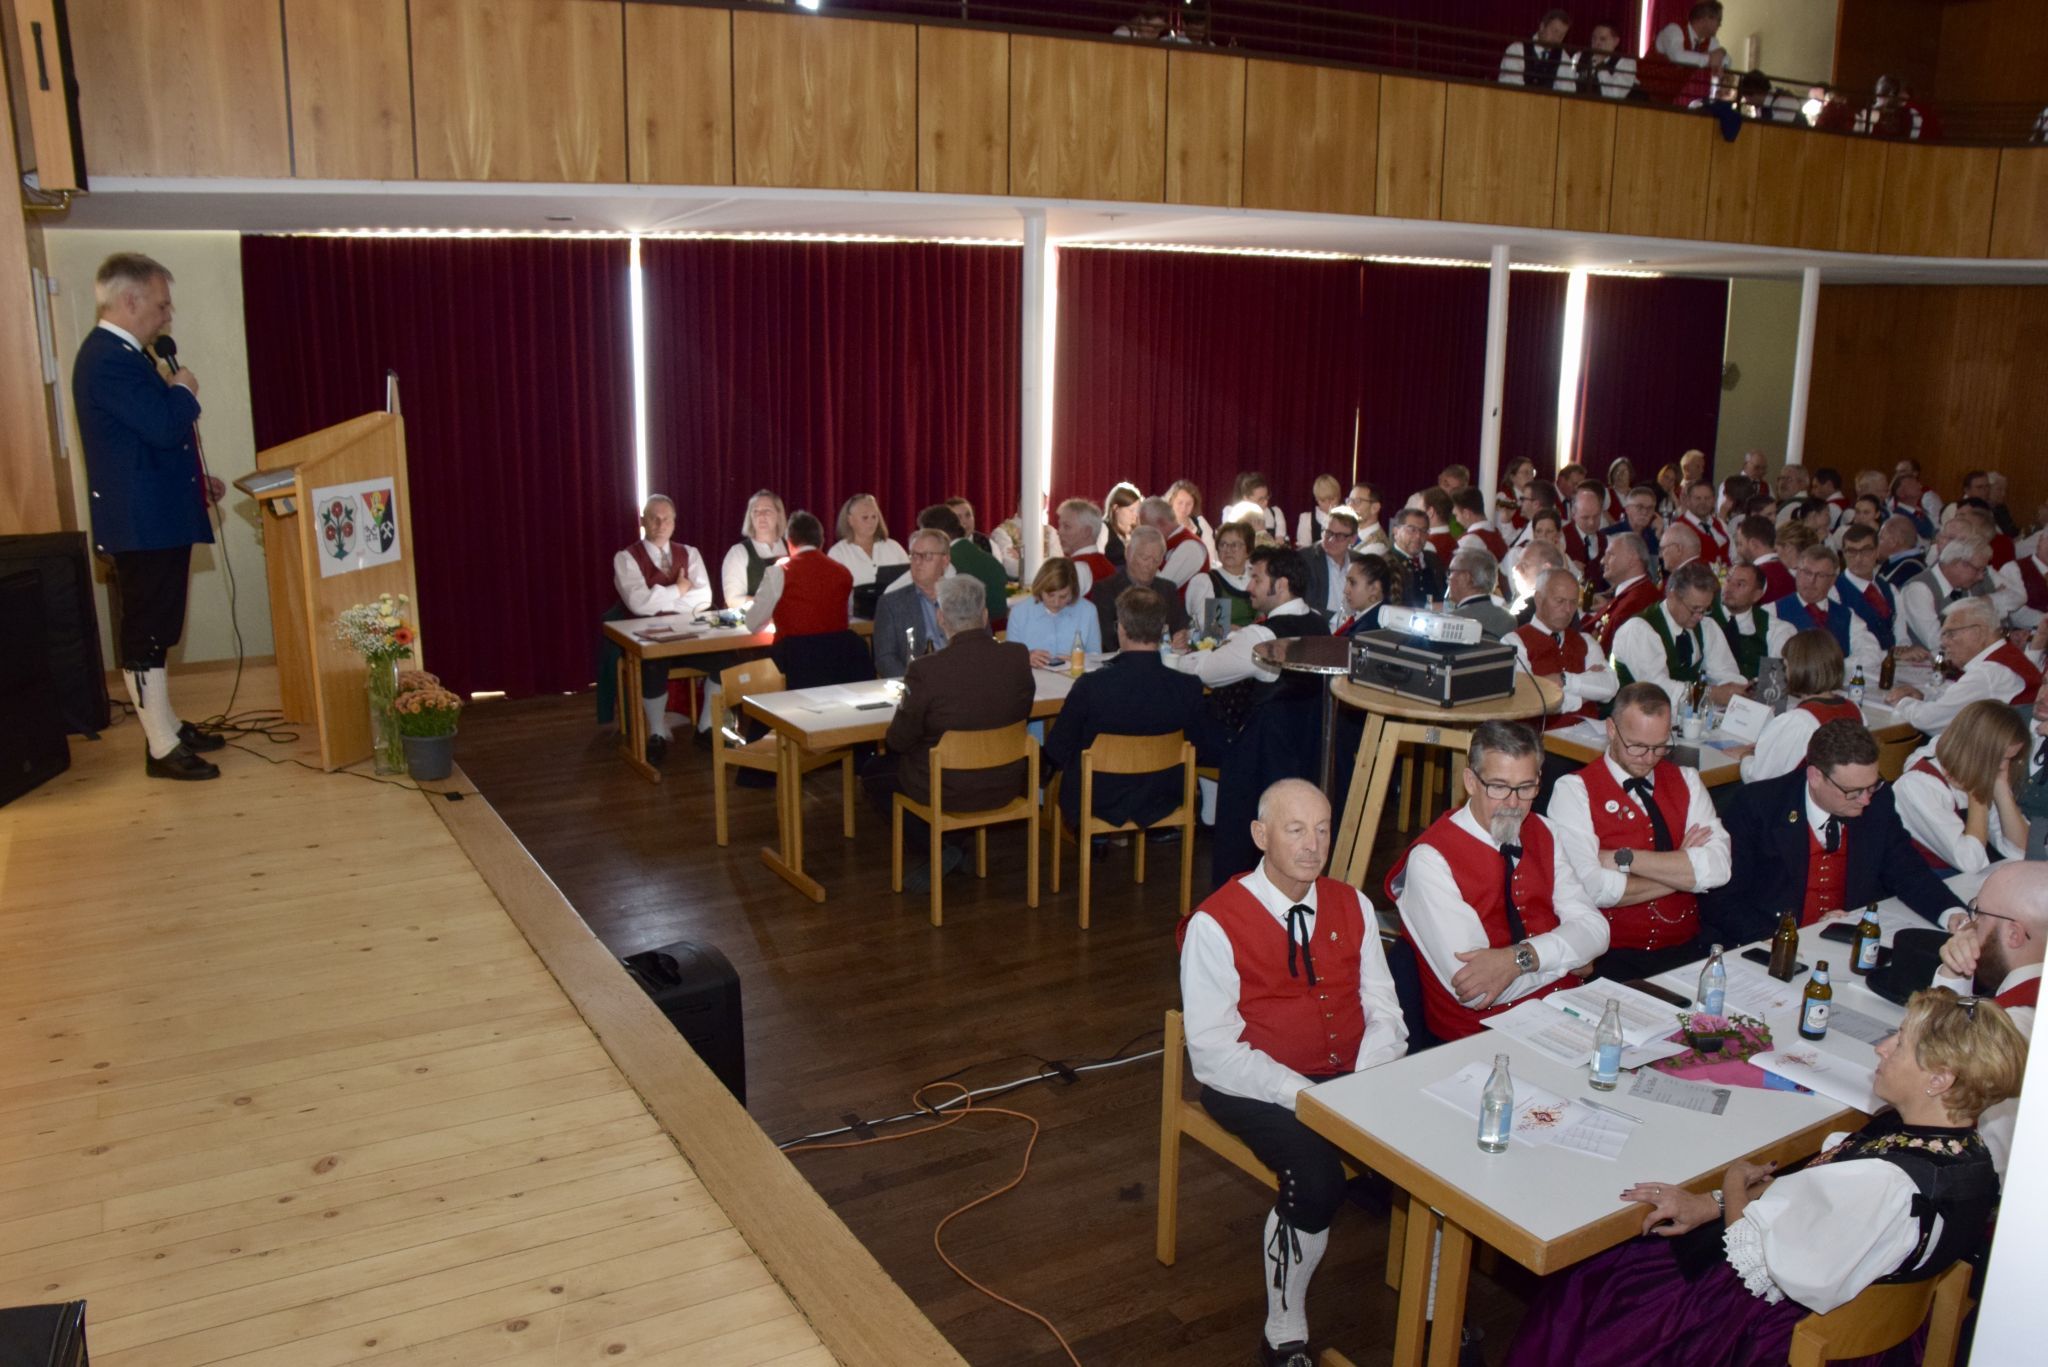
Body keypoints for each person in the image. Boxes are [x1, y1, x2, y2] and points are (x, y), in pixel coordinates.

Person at [1505, 988, 2021, 1367]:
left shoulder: (1886, 1182)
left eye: (1902, 1043)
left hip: (1766, 1332)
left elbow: (1764, 1261)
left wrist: (1731, 1185)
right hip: (1882, 1332)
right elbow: (1820, 1209)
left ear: (1940, 1079)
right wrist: (1713, 1202)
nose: (1882, 1047)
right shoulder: (1965, 1155)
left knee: (1601, 1276)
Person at [1178, 778, 1407, 1367]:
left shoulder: (1351, 903)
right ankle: (1283, 1328)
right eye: (1295, 828)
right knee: (1318, 1177)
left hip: (1350, 1074)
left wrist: (1369, 1076)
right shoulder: (1215, 923)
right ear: (1260, 835)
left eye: (1323, 828)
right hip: (1252, 1085)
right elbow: (1211, 1052)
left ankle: (1432, 1311)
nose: (1313, 845)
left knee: (1436, 1151)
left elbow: (1385, 1009)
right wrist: (1299, 1093)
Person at [73, 252, 226, 780]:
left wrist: (192, 485)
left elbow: (141, 443)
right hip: (142, 525)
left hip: (156, 515)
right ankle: (161, 747)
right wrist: (184, 388)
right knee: (147, 632)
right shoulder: (107, 359)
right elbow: (163, 426)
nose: (167, 315)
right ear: (130, 299)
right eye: (162, 305)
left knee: (160, 628)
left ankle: (168, 725)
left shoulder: (127, 357)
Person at [1389, 722, 1609, 1041]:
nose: (1512, 803)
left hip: (1565, 1013)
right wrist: (1568, 955)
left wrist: (1518, 960)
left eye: (1525, 787)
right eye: (1498, 786)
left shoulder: (1544, 831)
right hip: (1479, 1038)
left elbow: (1596, 929)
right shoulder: (1430, 860)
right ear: (1470, 782)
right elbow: (1475, 990)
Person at [1705, 720, 1972, 944]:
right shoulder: (1758, 806)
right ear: (1815, 777)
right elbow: (1723, 901)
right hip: (1768, 944)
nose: (1865, 800)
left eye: (1872, 786)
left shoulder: (1878, 802)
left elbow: (1908, 871)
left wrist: (1951, 912)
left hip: (1844, 944)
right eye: (1852, 792)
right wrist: (1786, 940)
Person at [1547, 684, 1731, 977]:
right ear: (1611, 729)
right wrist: (1684, 871)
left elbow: (1719, 870)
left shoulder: (1688, 780)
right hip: (1611, 956)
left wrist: (1626, 859)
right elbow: (1591, 887)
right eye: (1636, 746)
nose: (1648, 757)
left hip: (1686, 950)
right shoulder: (1574, 790)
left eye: (1660, 747)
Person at [868, 577, 1034, 888]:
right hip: (1006, 780)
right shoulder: (1016, 657)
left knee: (875, 772)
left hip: (946, 786)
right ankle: (956, 846)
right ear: (984, 616)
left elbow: (898, 739)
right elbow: (1023, 712)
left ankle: (942, 849)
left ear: (941, 618)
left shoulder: (927, 670)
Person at [1047, 587, 1206, 832]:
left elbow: (1058, 748)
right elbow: (1198, 745)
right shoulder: (1188, 688)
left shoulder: (1092, 686)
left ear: (1121, 628)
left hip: (1098, 796)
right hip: (1163, 795)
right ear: (1161, 628)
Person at [1931, 861, 2043, 1174]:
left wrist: (1952, 972)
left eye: (1979, 914)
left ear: (2015, 934)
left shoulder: (2008, 1029)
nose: (1968, 926)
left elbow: (1927, 1069)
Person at [610, 494, 713, 763]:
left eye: (666, 518)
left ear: (674, 522)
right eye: (654, 517)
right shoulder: (626, 558)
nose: (660, 523)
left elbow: (704, 599)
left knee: (724, 660)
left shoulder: (690, 553)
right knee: (653, 663)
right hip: (646, 638)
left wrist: (660, 597)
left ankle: (706, 727)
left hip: (687, 634)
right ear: (643, 520)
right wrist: (679, 589)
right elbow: (638, 603)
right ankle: (656, 733)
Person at [1164, 548, 1326, 693]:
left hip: (1267, 724)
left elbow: (1204, 672)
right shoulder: (1320, 623)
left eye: (1257, 579)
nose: (1249, 587)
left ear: (1281, 585)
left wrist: (1182, 658)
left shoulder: (1260, 638)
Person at [1894, 700, 2028, 874]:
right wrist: (1977, 793)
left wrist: (2001, 786)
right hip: (1920, 885)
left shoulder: (1989, 771)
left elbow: (2019, 851)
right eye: (1999, 758)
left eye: (2010, 759)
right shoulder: (1918, 786)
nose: (2003, 767)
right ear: (1975, 750)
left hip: (1959, 883)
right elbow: (1971, 862)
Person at [1888, 597, 2043, 736]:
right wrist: (1924, 697)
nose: (1944, 642)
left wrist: (1902, 701)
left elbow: (1930, 721)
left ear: (1978, 632)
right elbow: (1956, 702)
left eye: (1950, 633)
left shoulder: (1989, 672)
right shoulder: (2007, 656)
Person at [1611, 561, 1747, 709]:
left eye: (1705, 609)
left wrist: (1736, 689)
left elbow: (1725, 671)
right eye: (1694, 609)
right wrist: (1710, 694)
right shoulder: (1639, 630)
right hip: (1634, 718)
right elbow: (1656, 689)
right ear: (1672, 595)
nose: (1699, 616)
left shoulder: (1707, 627)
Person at [1731, 629, 1858, 783]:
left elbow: (1759, 779)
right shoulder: (1853, 709)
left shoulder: (1798, 721)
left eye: (1785, 666)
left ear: (1799, 669)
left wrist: (1746, 756)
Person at [1511, 568, 1617, 731]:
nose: (1568, 609)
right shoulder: (1514, 642)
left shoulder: (1585, 641)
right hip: (1542, 742)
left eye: (1573, 602)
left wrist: (1563, 680)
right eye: (1560, 601)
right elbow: (1531, 700)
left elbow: (1610, 687)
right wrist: (1585, 693)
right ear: (1539, 599)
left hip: (1590, 740)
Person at [1766, 545, 1883, 679]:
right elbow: (1774, 663)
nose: (1811, 581)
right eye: (1807, 572)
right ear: (1797, 572)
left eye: (1820, 575)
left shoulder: (1847, 615)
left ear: (1832, 580)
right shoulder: (1772, 611)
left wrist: (1832, 668)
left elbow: (1872, 653)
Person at [743, 510, 854, 638]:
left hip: (792, 655)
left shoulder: (780, 571)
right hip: (837, 655)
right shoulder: (844, 573)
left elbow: (753, 623)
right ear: (822, 541)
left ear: (789, 542)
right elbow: (847, 616)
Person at [1092, 525, 1190, 644]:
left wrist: (1182, 636)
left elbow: (1181, 626)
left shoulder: (1168, 590)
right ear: (1128, 553)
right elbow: (1108, 639)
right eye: (1145, 558)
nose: (1150, 565)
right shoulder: (1105, 590)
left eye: (1156, 560)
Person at [872, 529, 949, 678]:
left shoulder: (965, 599)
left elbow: (980, 648)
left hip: (959, 681)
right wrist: (912, 684)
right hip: (916, 683)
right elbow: (885, 659)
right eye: (914, 556)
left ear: (945, 561)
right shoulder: (891, 604)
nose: (918, 562)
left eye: (926, 556)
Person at [918, 503, 1010, 627]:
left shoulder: (944, 563)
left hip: (962, 635)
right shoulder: (993, 561)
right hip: (995, 636)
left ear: (935, 535)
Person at [1005, 556, 1102, 666]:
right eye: (1050, 595)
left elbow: (1097, 657)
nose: (1056, 603)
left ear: (1073, 591)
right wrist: (1025, 657)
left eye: (1063, 596)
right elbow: (1010, 659)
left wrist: (1082, 660)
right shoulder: (1019, 613)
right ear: (1040, 588)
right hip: (1033, 681)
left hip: (1075, 679)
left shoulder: (1088, 611)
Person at [1581, 532, 1658, 652]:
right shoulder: (1635, 592)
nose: (1602, 561)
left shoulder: (1636, 602)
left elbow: (1603, 648)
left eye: (1610, 554)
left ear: (1632, 559)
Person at [1639, 1, 1725, 107]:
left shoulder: (1710, 41)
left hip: (1666, 99)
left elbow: (1727, 60)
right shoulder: (1674, 30)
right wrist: (1709, 59)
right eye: (1718, 20)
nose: (1720, 25)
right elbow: (1677, 56)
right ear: (1706, 19)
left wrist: (1721, 53)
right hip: (1641, 92)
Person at [1836, 522, 1903, 654]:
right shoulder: (1834, 591)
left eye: (1866, 551)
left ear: (1877, 552)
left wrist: (1904, 649)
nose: (1859, 558)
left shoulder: (1889, 589)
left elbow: (1901, 635)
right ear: (1843, 554)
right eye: (1851, 551)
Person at [1185, 519, 1259, 635]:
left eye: (1235, 545)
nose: (1228, 550)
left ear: (1248, 551)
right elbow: (1208, 627)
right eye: (1223, 544)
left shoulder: (1259, 579)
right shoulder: (1208, 582)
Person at [721, 490, 789, 611]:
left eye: (767, 510)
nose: (761, 516)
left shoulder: (792, 548)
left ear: (778, 514)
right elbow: (733, 599)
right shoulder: (738, 553)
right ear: (750, 517)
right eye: (756, 511)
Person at [827, 493, 908, 593]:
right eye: (865, 517)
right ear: (850, 520)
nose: (871, 522)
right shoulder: (838, 553)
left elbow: (909, 580)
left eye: (874, 517)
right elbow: (834, 591)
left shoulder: (893, 547)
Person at [1297, 508, 1359, 624]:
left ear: (1353, 539)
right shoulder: (1305, 559)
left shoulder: (1359, 562)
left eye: (1339, 536)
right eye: (1328, 533)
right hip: (1318, 629)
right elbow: (1303, 603)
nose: (1331, 540)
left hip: (1353, 628)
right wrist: (1339, 620)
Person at [1143, 496, 1212, 589]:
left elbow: (1161, 587)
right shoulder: (1170, 543)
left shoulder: (1190, 547)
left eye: (1146, 527)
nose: (1144, 533)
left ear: (1161, 523)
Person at [1446, 548, 1514, 640]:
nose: (1448, 579)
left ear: (1466, 577)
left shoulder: (1452, 622)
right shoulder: (1510, 620)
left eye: (1451, 572)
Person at [1055, 497, 1116, 598]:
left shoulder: (1076, 569)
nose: (1059, 532)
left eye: (1067, 526)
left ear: (1087, 532)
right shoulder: (1108, 566)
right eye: (1060, 525)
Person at [1499, 8, 1573, 91]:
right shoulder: (1517, 49)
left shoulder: (1563, 57)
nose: (1557, 38)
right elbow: (1511, 85)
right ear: (1542, 27)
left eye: (1562, 35)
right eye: (1554, 31)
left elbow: (1567, 91)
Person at [1387, 508, 1446, 608]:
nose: (1418, 536)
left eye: (1423, 531)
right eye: (1411, 530)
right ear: (1396, 531)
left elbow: (1447, 596)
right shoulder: (1385, 563)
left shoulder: (1433, 560)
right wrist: (1428, 607)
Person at [1571, 20, 1638, 100]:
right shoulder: (1579, 57)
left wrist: (1601, 65)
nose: (1597, 43)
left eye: (1603, 39)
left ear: (1616, 42)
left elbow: (1615, 95)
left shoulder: (1626, 62)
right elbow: (1567, 87)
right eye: (1594, 38)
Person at [1734, 515, 1794, 604]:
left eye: (1740, 544)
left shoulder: (1755, 577)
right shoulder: (1788, 572)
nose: (1738, 551)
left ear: (1753, 544)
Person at [1333, 555, 1393, 637]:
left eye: (1352, 583)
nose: (1345, 590)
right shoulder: (1367, 619)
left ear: (1374, 589)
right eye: (1346, 582)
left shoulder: (1369, 630)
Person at [1674, 478, 1730, 565]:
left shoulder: (1719, 524)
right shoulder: (1679, 527)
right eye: (1698, 498)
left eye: (1707, 498)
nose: (1703, 502)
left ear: (1714, 500)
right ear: (1688, 500)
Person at [1602, 485, 1661, 561]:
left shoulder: (1653, 537)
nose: (1645, 512)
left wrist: (1658, 536)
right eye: (1639, 507)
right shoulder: (1609, 535)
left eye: (1650, 508)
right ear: (1627, 509)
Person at [1563, 485, 1608, 586]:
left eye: (1596, 516)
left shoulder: (1606, 540)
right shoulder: (1561, 538)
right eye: (1585, 517)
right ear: (1573, 514)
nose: (1591, 522)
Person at [1166, 479, 1219, 563]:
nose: (1184, 508)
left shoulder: (1201, 526)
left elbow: (1211, 558)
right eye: (1180, 503)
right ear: (1171, 502)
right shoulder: (1161, 526)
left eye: (1189, 504)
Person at [1294, 474, 1345, 549]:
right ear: (1316, 499)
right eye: (1323, 500)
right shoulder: (1307, 519)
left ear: (1339, 496)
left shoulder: (1348, 518)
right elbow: (1303, 552)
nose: (1328, 504)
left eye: (1332, 499)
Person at [1877, 514, 1927, 588]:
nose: (1875, 543)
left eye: (1880, 538)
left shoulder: (1911, 570)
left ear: (1893, 541)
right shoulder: (1895, 563)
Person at [1101, 481, 1143, 566]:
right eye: (1131, 510)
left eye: (1137, 510)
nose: (1135, 515)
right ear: (1116, 508)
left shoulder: (1137, 532)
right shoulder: (1103, 529)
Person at [1418, 488, 1460, 562]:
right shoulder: (1455, 542)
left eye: (1419, 511)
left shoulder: (1426, 543)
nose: (1417, 516)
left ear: (1430, 512)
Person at [1346, 482, 1389, 553]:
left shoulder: (1377, 546)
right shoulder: (1351, 532)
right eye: (1349, 501)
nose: (1349, 506)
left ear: (1375, 508)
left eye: (1357, 501)